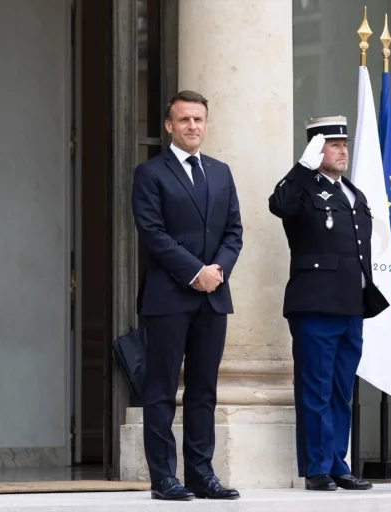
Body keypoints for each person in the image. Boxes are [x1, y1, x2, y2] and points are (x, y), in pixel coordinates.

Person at [132, 90, 243, 501]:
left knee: (203, 390)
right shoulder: (151, 174)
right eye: (184, 120)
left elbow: (234, 231)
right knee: (161, 390)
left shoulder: (221, 172)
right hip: (168, 297)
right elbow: (153, 234)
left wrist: (217, 272)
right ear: (168, 126)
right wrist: (194, 271)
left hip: (213, 297)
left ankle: (200, 473)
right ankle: (163, 477)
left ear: (206, 124)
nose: (192, 126)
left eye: (198, 119)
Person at [268, 116, 388, 492]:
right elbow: (279, 205)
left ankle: (337, 461)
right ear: (316, 149)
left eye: (343, 144)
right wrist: (302, 168)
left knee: (340, 389)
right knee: (315, 387)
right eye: (333, 144)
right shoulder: (302, 189)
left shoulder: (353, 194)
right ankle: (316, 466)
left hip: (351, 303)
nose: (342, 150)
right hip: (316, 304)